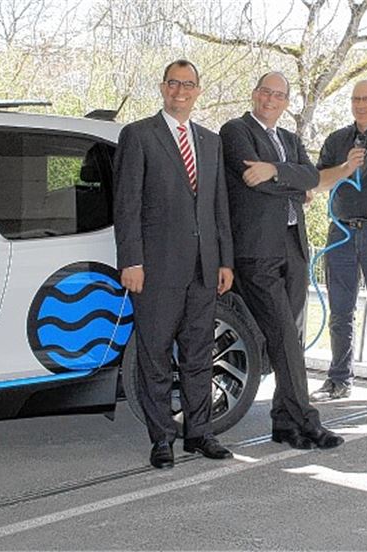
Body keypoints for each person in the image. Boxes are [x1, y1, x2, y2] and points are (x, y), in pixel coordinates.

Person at [113, 59, 235, 469]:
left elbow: (219, 206)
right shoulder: (139, 135)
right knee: (156, 356)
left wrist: (225, 261)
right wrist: (131, 260)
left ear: (198, 91)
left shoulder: (211, 141)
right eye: (173, 84)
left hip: (205, 269)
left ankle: (200, 433)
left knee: (199, 355)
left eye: (188, 84)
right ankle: (162, 438)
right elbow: (126, 205)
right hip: (156, 270)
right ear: (162, 88)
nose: (180, 91)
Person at [219, 71, 344, 450]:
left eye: (279, 95)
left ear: (287, 102)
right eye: (265, 92)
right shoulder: (236, 131)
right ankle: (307, 420)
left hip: (292, 246)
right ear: (254, 94)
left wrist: (275, 171)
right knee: (285, 336)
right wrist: (293, 182)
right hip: (256, 251)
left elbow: (312, 176)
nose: (271, 99)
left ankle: (284, 424)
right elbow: (252, 181)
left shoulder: (289, 139)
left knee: (290, 336)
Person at [309, 79, 367, 409]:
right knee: (340, 310)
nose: (360, 104)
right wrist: (345, 166)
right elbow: (317, 183)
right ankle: (338, 379)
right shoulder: (337, 140)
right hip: (341, 233)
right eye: (355, 99)